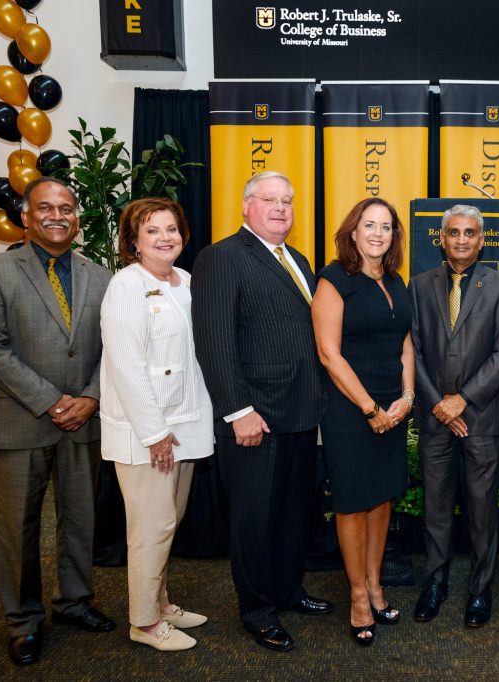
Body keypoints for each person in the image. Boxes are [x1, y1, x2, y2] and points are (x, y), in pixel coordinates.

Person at [0, 177, 115, 666]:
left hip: (84, 420)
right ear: (26, 217)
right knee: (18, 526)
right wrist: (51, 401)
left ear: (77, 216)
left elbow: (113, 347)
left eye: (67, 208)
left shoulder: (100, 275)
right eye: (46, 208)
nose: (58, 216)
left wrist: (91, 397)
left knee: (80, 519)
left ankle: (74, 602)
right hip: (21, 420)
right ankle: (23, 621)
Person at [191, 171, 332, 653]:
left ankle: (288, 590)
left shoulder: (298, 259)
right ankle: (257, 610)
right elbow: (213, 341)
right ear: (246, 205)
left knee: (294, 514)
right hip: (256, 417)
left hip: (300, 412)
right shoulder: (222, 257)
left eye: (288, 201)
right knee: (253, 519)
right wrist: (237, 411)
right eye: (270, 200)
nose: (280, 209)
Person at [99, 198, 215, 651]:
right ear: (133, 241)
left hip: (186, 424)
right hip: (149, 433)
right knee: (151, 526)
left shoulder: (187, 281)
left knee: (169, 521)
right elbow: (126, 367)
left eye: (172, 229)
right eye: (153, 231)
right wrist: (154, 433)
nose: (166, 238)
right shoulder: (125, 286)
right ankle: (144, 623)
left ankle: (161, 603)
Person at [408, 205, 499, 628]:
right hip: (435, 416)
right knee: (435, 507)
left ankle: (480, 589)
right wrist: (440, 402)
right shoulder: (419, 286)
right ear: (441, 238)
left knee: (481, 508)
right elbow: (412, 351)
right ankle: (434, 583)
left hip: (482, 417)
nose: (461, 239)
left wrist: (463, 400)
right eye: (453, 232)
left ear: (481, 238)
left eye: (469, 233)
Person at [313, 197, 414, 646]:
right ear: (352, 232)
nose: (378, 233)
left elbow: (406, 346)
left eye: (386, 227)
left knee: (382, 498)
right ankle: (357, 595)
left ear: (394, 236)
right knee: (354, 501)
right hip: (351, 412)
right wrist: (369, 408)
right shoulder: (335, 279)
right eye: (369, 225)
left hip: (392, 410)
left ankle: (376, 584)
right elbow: (329, 354)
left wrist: (407, 397)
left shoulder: (396, 280)